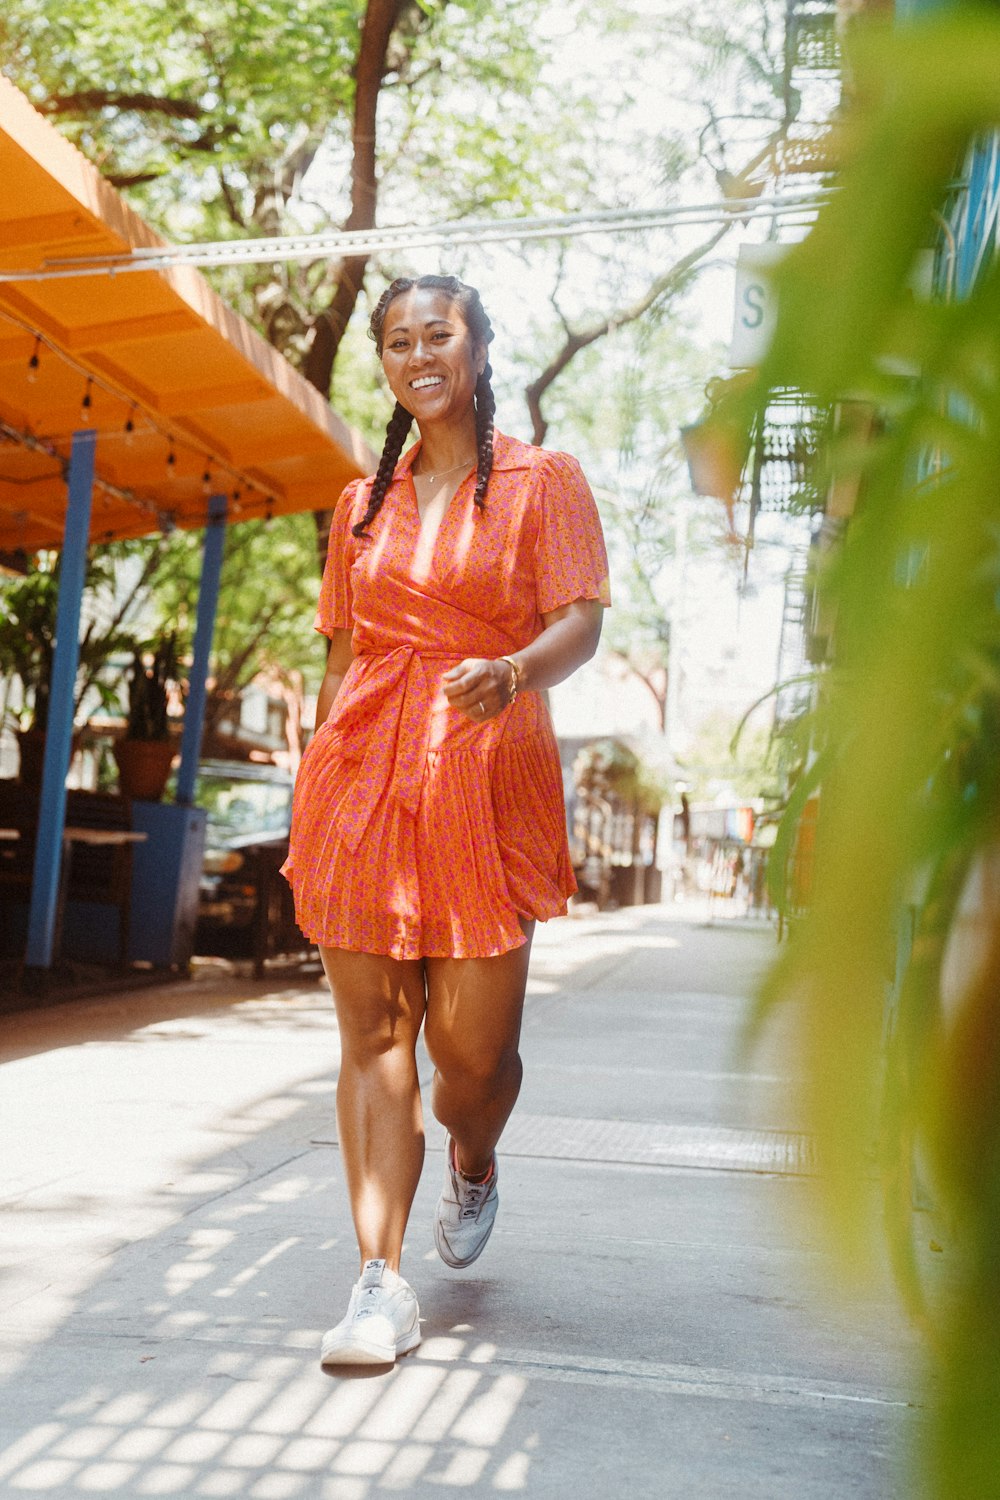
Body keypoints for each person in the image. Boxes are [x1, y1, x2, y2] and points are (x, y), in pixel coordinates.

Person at [282, 273, 610, 1367]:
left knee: (474, 1055)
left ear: (476, 346)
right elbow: (342, 655)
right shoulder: (357, 504)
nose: (417, 354)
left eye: (437, 333)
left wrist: (514, 671)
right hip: (364, 777)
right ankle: (377, 1284)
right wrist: (320, 765)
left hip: (485, 769)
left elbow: (578, 623)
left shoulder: (542, 481)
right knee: (374, 1036)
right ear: (382, 365)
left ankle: (473, 1157)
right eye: (395, 342)